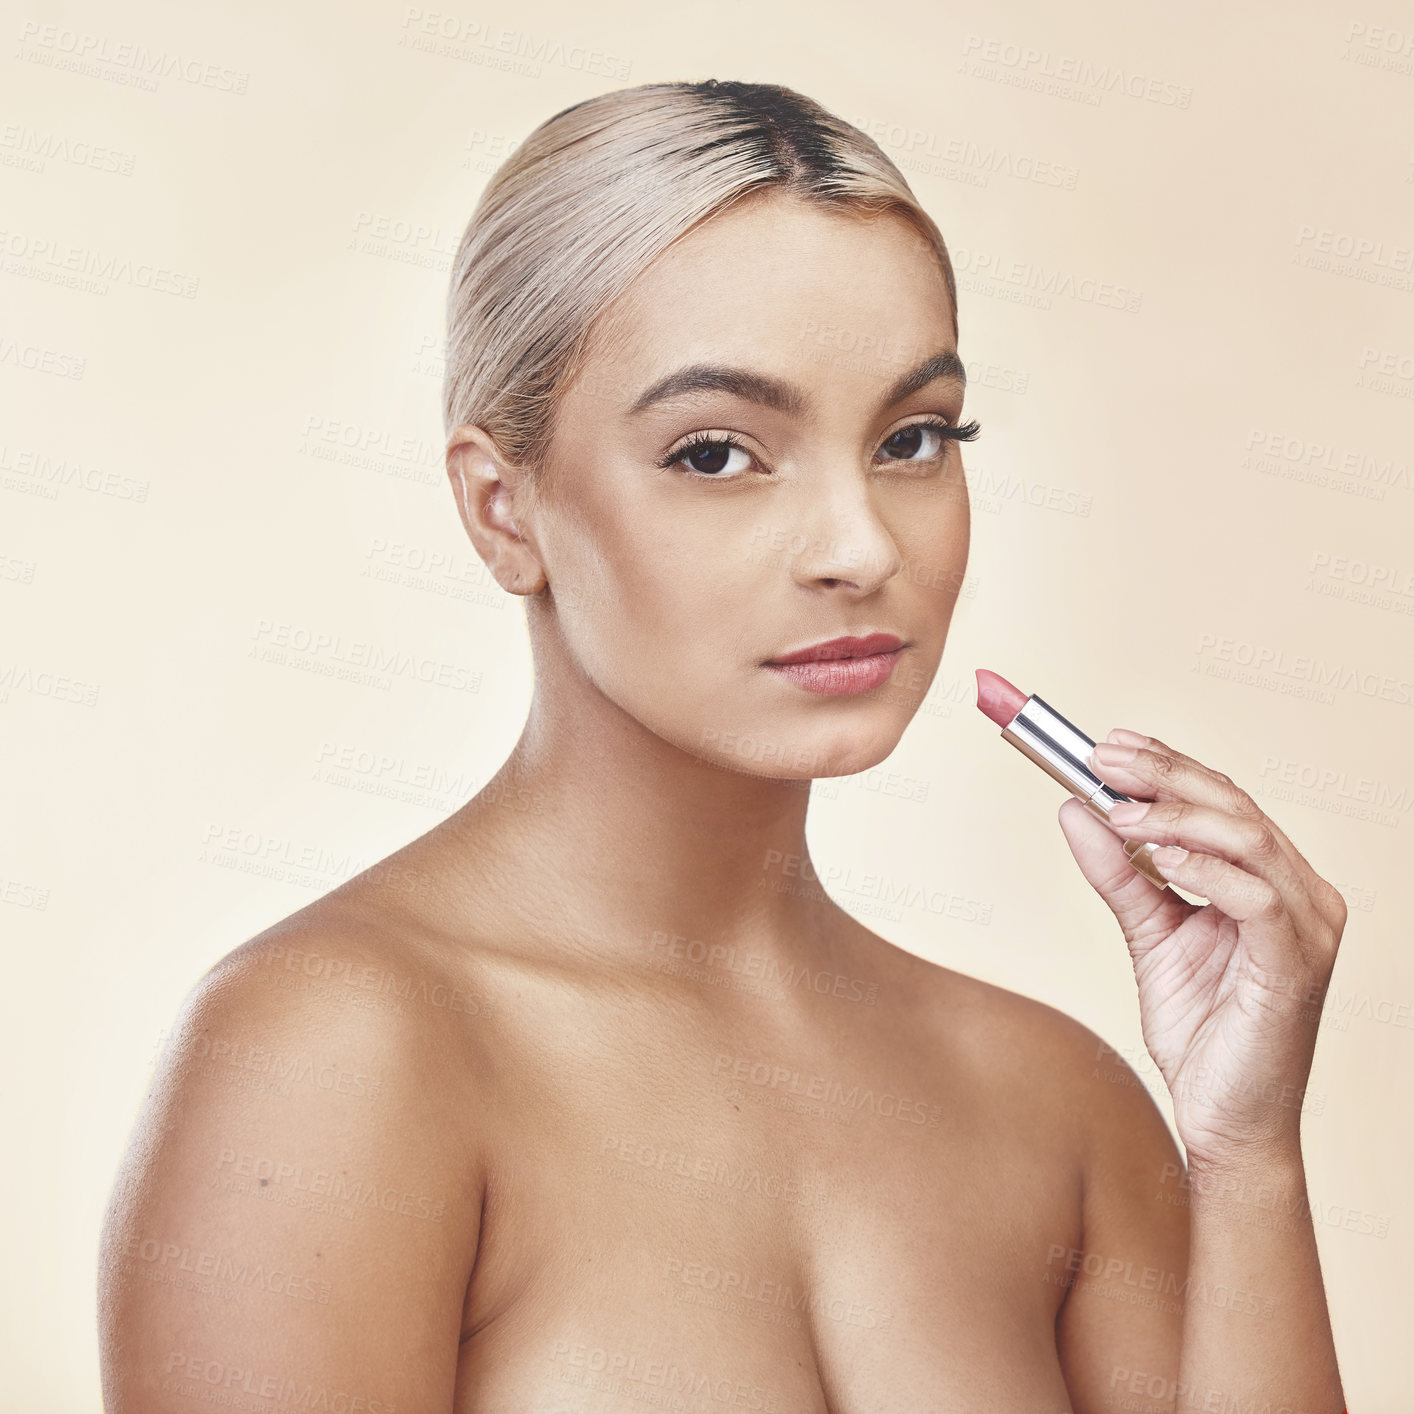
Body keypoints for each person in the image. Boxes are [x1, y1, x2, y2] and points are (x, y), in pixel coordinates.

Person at [98, 80, 1347, 1413]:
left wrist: (1245, 1152)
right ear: (500, 507)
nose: (862, 547)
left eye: (911, 438)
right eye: (715, 453)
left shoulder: (1058, 1107)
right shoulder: (336, 1057)